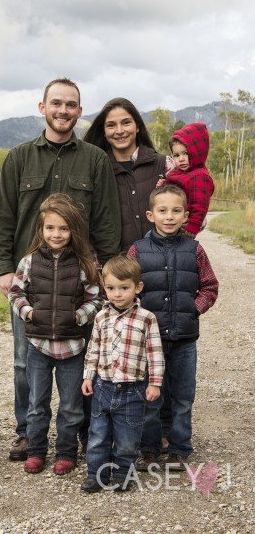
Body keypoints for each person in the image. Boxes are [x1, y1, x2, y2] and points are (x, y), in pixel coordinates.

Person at [0, 78, 121, 461]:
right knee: (23, 360)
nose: (63, 110)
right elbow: (4, 219)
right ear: (42, 107)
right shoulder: (18, 158)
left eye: (71, 105)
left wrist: (106, 276)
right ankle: (26, 435)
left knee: (80, 359)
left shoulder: (95, 160)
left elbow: (106, 221)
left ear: (80, 112)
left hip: (80, 283)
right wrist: (3, 269)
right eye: (56, 103)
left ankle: (76, 432)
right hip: (30, 282)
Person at [8, 194, 103, 475]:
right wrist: (28, 313)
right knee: (37, 404)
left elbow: (96, 299)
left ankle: (65, 451)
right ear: (41, 230)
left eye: (63, 228)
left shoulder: (84, 263)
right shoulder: (29, 262)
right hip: (37, 345)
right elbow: (15, 292)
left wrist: (79, 316)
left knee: (71, 406)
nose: (56, 234)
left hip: (73, 347)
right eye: (50, 228)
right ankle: (36, 450)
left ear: (72, 231)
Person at [127, 184, 218, 471]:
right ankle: (150, 448)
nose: (169, 216)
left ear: (186, 215)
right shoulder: (138, 250)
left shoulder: (195, 250)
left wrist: (194, 308)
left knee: (182, 396)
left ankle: (179, 449)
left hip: (184, 339)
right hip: (149, 342)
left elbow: (210, 286)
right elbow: (128, 289)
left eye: (176, 211)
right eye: (163, 211)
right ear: (150, 215)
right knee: (151, 396)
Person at [80, 255, 164, 493]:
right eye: (111, 288)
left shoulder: (146, 319)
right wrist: (88, 376)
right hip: (103, 387)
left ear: (138, 287)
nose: (117, 294)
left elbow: (155, 353)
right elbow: (93, 348)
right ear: (104, 287)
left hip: (133, 389)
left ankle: (122, 475)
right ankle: (96, 475)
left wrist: (155, 383)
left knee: (128, 438)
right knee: (97, 436)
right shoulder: (100, 317)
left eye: (124, 288)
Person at [83, 97, 175, 252]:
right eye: (111, 125)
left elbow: (189, 210)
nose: (119, 131)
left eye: (126, 122)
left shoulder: (165, 165)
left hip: (164, 263)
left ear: (137, 126)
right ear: (104, 132)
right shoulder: (94, 170)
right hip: (117, 269)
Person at [156, 122, 215, 239]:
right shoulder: (177, 172)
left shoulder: (199, 176)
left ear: (198, 152)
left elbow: (200, 205)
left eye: (186, 153)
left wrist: (193, 226)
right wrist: (162, 187)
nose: (181, 159)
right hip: (169, 218)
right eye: (176, 155)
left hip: (182, 226)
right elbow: (170, 192)